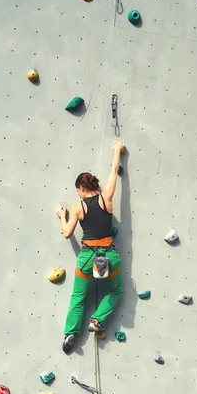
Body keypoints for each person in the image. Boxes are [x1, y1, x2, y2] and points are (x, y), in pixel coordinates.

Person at [57, 140, 125, 354]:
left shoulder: (78, 207)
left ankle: (71, 333)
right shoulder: (106, 199)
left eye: (77, 190)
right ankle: (97, 321)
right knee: (115, 290)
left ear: (81, 188)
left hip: (87, 258)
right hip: (107, 257)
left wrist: (62, 216)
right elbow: (114, 172)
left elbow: (67, 233)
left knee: (78, 297)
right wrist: (117, 150)